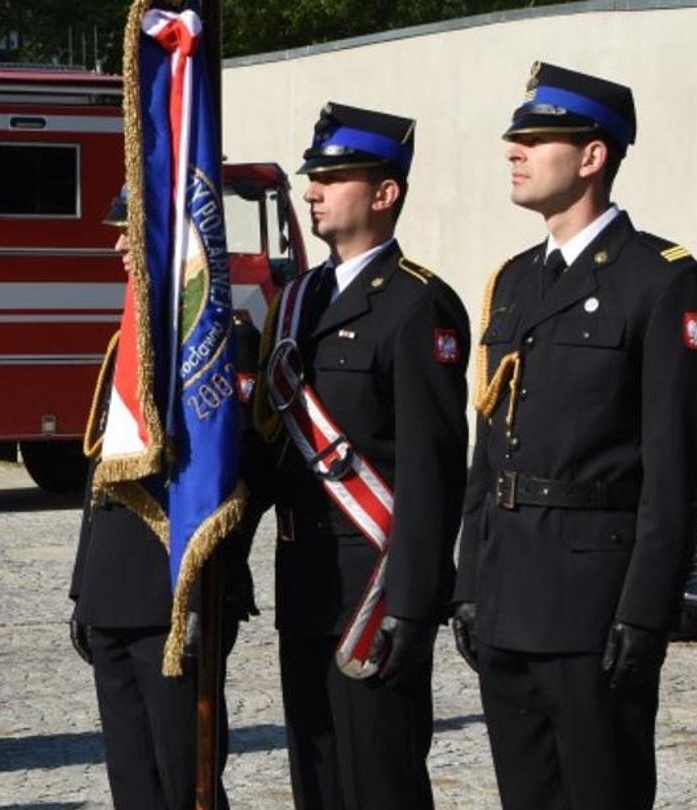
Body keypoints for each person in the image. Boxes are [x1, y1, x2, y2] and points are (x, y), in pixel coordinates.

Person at [452, 63, 697, 810]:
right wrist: (470, 581)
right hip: (510, 594)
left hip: (593, 605)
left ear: (593, 155)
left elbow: (677, 469)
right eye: (516, 138)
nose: (516, 151)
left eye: (536, 139)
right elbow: (490, 450)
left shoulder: (662, 280)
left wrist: (645, 609)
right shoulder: (514, 281)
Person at [252, 103, 469, 810]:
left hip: (373, 591)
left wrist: (412, 599)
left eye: (332, 177)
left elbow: (435, 471)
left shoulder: (417, 306)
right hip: (305, 581)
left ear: (384, 194)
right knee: (318, 781)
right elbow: (273, 450)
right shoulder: (298, 301)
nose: (311, 189)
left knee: (381, 782)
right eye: (313, 176)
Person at [68, 189, 262, 809]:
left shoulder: (216, 343)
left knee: (187, 779)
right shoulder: (128, 341)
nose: (118, 244)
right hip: (113, 592)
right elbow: (100, 476)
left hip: (175, 592)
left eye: (131, 231)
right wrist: (83, 589)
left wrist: (212, 583)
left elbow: (235, 482)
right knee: (132, 781)